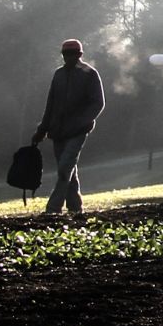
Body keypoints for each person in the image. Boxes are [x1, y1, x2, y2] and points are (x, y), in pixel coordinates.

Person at [31, 38, 106, 218]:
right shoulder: (58, 75)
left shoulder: (90, 73)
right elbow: (51, 104)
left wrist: (82, 123)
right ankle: (75, 208)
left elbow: (98, 103)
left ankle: (53, 209)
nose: (68, 57)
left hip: (78, 132)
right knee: (69, 171)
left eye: (72, 54)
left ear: (80, 55)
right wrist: (41, 130)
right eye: (65, 54)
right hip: (57, 132)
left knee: (65, 167)